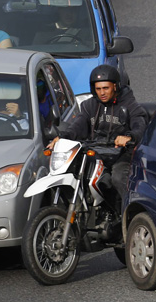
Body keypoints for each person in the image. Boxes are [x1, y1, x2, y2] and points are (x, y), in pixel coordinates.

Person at [49, 65, 148, 204]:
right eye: (98, 89)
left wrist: (130, 137)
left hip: (122, 153)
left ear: (115, 86)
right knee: (78, 173)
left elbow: (139, 123)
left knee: (118, 178)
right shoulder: (89, 105)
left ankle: (128, 214)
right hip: (96, 150)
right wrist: (63, 137)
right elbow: (78, 125)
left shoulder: (129, 104)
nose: (102, 93)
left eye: (106, 88)